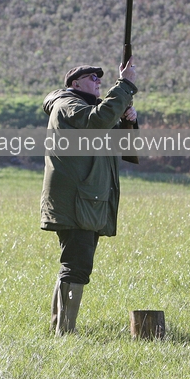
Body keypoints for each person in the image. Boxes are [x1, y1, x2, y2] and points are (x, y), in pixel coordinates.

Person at [40, 57, 138, 335]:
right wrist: (125, 85)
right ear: (75, 84)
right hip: (77, 201)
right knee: (76, 266)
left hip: (86, 200)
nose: (98, 82)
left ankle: (61, 329)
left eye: (99, 79)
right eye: (92, 78)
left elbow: (124, 145)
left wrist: (128, 120)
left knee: (75, 265)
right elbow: (96, 121)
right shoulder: (68, 106)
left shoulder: (85, 111)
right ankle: (64, 332)